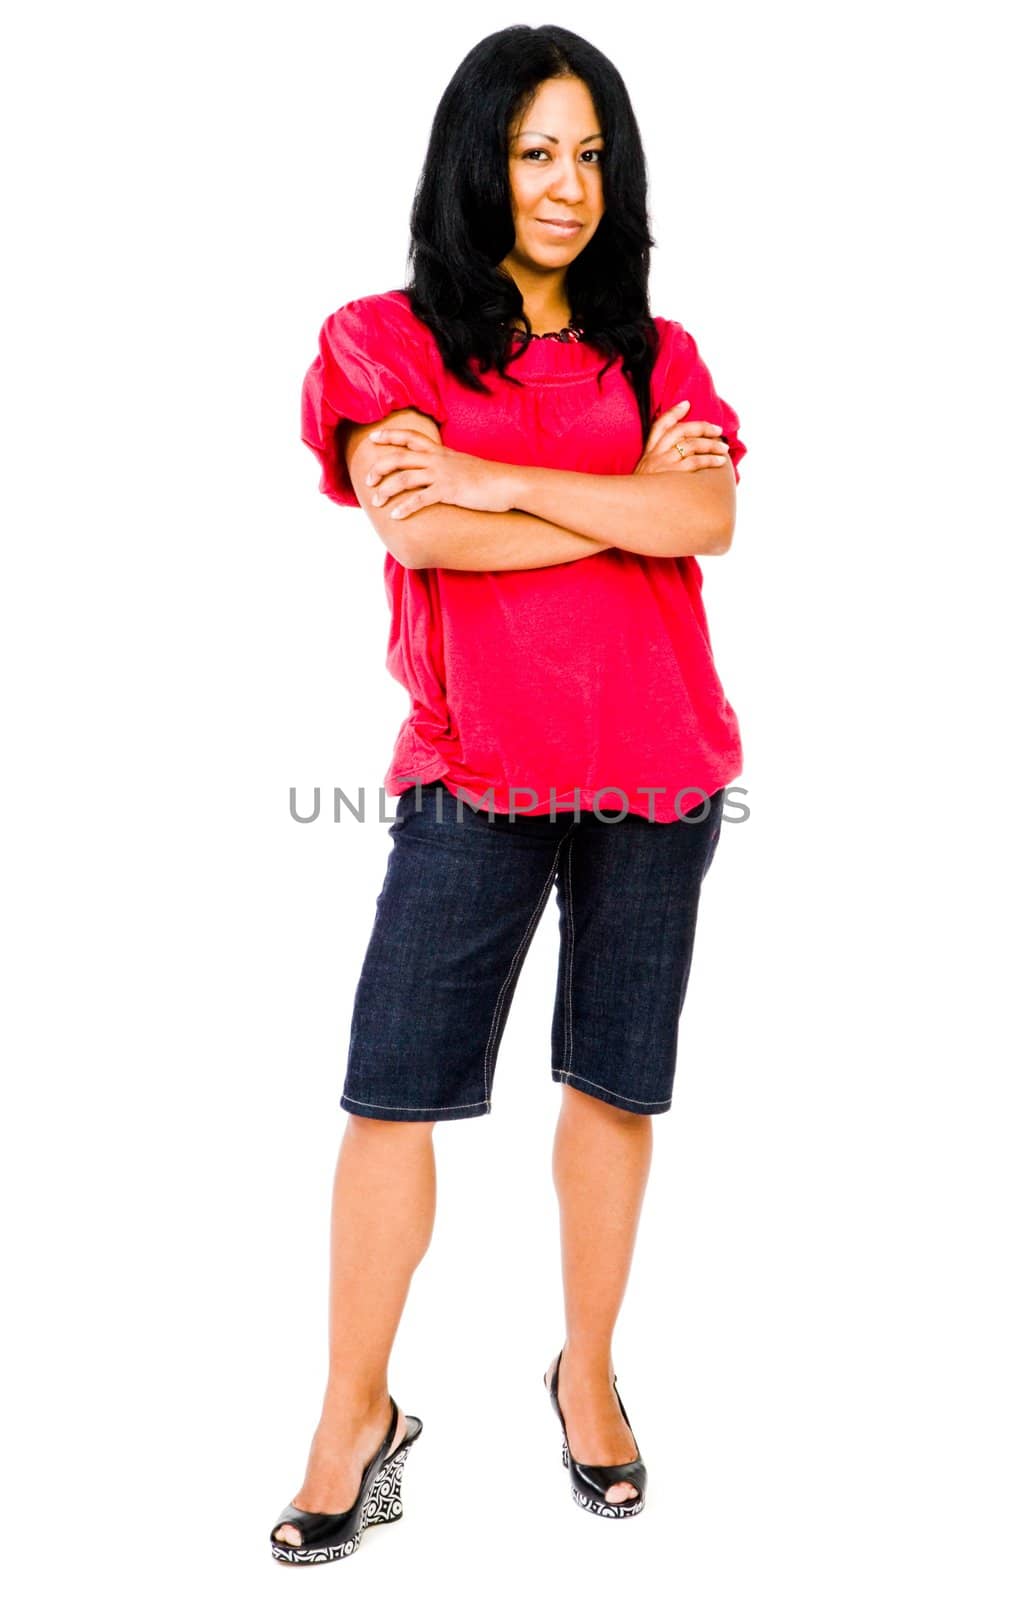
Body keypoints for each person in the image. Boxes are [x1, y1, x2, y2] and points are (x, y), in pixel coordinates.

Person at [270, 23, 747, 1563]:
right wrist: (623, 512)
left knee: (614, 1083)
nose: (567, 183)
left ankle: (588, 1378)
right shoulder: (383, 341)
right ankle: (355, 1412)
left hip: (659, 767)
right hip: (473, 772)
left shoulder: (659, 353)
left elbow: (712, 513)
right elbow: (421, 538)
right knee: (392, 1093)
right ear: (479, 159)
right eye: (538, 150)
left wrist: (508, 478)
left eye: (592, 153)